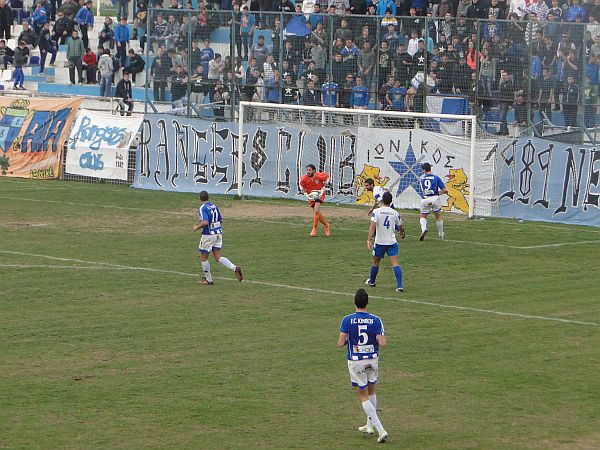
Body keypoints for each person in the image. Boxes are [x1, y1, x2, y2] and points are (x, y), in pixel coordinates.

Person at [337, 288, 388, 443]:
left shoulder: (347, 320)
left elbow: (340, 343)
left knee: (363, 396)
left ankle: (380, 429)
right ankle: (369, 426)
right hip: (372, 360)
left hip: (356, 361)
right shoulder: (376, 320)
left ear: (354, 302)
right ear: (368, 302)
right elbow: (383, 343)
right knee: (371, 391)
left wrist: (350, 340)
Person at [192, 191, 243, 286]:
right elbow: (221, 220)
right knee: (218, 257)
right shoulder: (214, 206)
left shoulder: (203, 208)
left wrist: (196, 227)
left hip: (208, 235)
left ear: (200, 199)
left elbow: (205, 222)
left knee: (203, 257)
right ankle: (234, 268)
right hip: (218, 233)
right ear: (208, 197)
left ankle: (209, 280)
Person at [365, 192, 404, 292]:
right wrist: (402, 232)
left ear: (382, 200)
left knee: (375, 261)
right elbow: (400, 226)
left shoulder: (377, 211)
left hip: (380, 242)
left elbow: (372, 226)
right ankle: (400, 286)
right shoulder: (395, 213)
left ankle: (372, 281)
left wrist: (369, 239)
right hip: (391, 242)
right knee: (394, 262)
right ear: (391, 201)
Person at [418, 163, 448, 241]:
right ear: (430, 168)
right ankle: (441, 234)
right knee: (438, 216)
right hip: (435, 198)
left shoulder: (422, 179)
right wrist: (439, 193)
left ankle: (424, 229)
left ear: (424, 170)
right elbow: (445, 190)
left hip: (425, 199)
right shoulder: (436, 178)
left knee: (423, 216)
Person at [299, 164, 330, 237]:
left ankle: (314, 228)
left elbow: (327, 178)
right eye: (307, 170)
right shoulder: (304, 178)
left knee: (316, 210)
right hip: (310, 195)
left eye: (310, 170)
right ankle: (326, 225)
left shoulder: (319, 176)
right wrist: (305, 194)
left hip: (319, 194)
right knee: (317, 212)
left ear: (314, 171)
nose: (308, 172)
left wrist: (323, 187)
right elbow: (301, 187)